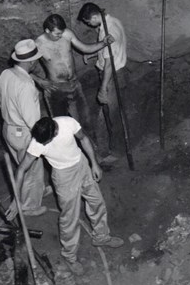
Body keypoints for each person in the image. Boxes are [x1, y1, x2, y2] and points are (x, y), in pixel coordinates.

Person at [13, 116, 124, 275]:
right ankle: (69, 256)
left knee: (96, 202)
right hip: (63, 177)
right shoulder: (37, 143)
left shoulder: (67, 123)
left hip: (82, 165)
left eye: (46, 142)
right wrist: (15, 199)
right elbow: (21, 169)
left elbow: (84, 139)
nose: (43, 146)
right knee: (70, 217)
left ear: (55, 131)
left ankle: (101, 236)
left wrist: (94, 163)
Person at [0, 39, 47, 217]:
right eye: (34, 60)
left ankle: (37, 192)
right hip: (23, 132)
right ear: (30, 62)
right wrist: (43, 137)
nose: (35, 62)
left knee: (28, 165)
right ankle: (28, 207)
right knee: (30, 169)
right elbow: (32, 120)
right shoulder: (26, 85)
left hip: (8, 127)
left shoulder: (6, 74)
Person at [33, 14, 114, 122]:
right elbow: (22, 68)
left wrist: (104, 43)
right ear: (47, 31)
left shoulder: (67, 34)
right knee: (60, 125)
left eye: (62, 33)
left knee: (85, 121)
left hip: (74, 85)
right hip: (55, 89)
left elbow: (85, 48)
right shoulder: (38, 44)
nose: (60, 36)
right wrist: (39, 81)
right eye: (57, 34)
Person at [77, 2, 128, 156]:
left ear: (94, 17)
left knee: (113, 116)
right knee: (111, 112)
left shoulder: (108, 30)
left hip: (113, 77)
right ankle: (114, 147)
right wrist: (93, 53)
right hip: (118, 72)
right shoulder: (113, 22)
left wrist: (103, 88)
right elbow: (109, 48)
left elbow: (108, 65)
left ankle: (117, 151)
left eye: (88, 22)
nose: (89, 25)